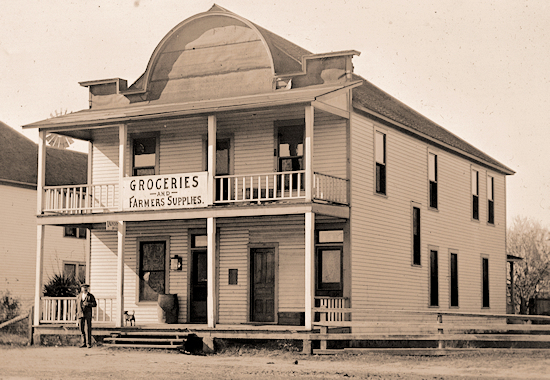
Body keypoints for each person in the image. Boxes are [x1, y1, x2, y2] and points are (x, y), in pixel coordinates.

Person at [74, 284, 96, 348]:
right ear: (81, 289)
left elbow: (94, 304)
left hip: (88, 314)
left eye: (86, 288)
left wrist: (88, 304)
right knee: (81, 329)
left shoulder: (90, 296)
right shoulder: (79, 296)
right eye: (83, 288)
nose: (84, 289)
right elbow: (76, 305)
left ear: (88, 288)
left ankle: (88, 343)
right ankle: (83, 343)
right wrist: (75, 314)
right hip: (80, 314)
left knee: (88, 329)